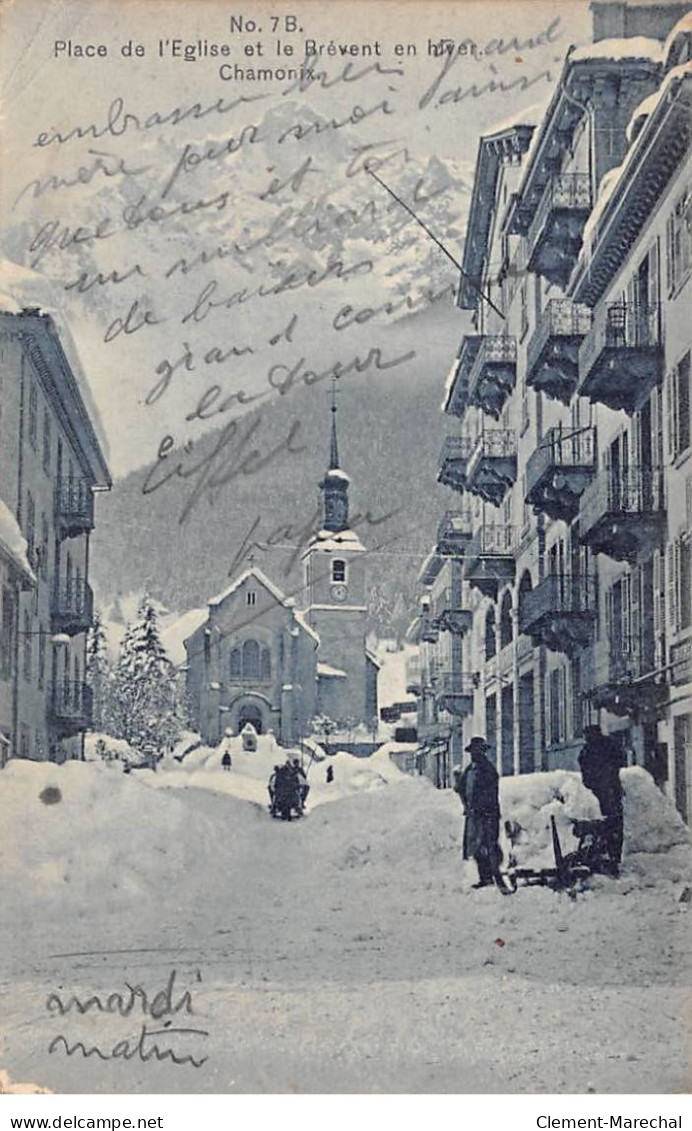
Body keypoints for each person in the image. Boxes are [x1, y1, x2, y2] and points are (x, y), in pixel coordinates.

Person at [454, 737, 502, 889]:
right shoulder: (470, 769)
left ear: (483, 752)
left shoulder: (487, 770)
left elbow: (489, 793)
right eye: (473, 751)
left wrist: (481, 809)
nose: (475, 754)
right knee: (475, 846)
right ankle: (484, 876)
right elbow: (461, 787)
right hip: (474, 815)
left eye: (478, 751)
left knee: (486, 846)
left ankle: (490, 876)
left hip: (486, 815)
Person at [578, 724, 625, 868]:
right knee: (613, 824)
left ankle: (605, 854)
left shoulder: (588, 749)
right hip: (610, 790)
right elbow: (620, 760)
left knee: (602, 824)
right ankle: (613, 855)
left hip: (599, 792)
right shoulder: (610, 745)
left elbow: (584, 766)